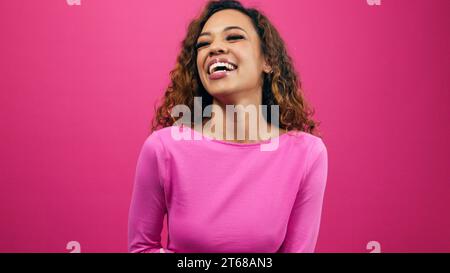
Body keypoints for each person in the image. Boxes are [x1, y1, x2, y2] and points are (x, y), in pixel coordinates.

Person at [128, 0, 328, 253]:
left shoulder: (307, 154)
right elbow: (141, 248)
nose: (215, 48)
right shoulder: (163, 148)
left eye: (234, 37)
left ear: (268, 61)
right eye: (204, 44)